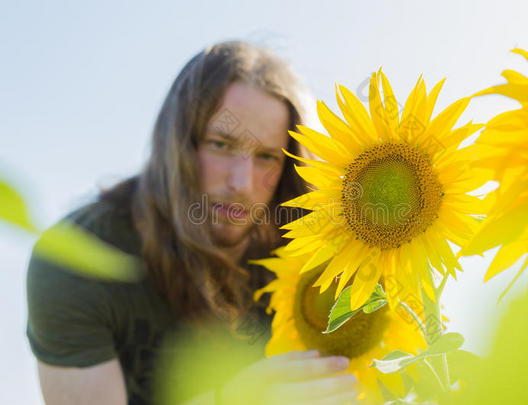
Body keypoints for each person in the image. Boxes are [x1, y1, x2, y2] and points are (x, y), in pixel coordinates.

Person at [26, 41, 358, 405]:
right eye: (220, 145)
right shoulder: (77, 262)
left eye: (266, 157)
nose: (241, 184)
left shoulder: (312, 256)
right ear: (177, 143)